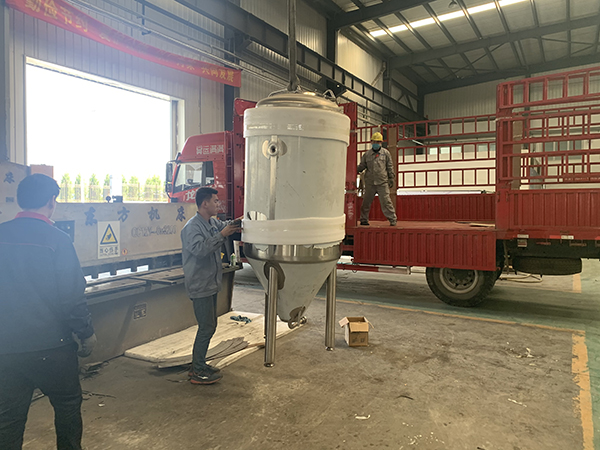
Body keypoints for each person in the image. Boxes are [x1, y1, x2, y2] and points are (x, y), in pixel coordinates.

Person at [0, 174, 96, 450]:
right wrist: (86, 332)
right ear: (52, 202)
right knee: (67, 406)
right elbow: (72, 295)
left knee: (8, 418)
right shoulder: (58, 240)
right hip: (53, 347)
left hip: (7, 349)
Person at [181, 187, 241, 385]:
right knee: (206, 327)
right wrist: (222, 235)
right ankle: (198, 370)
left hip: (210, 283)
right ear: (204, 203)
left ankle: (199, 364)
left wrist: (241, 221)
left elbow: (225, 225)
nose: (218, 204)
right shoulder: (192, 228)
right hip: (200, 284)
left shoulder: (212, 222)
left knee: (210, 326)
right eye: (215, 201)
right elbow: (199, 250)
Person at [357, 132, 397, 226]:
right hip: (370, 183)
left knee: (386, 202)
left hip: (382, 182)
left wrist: (391, 178)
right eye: (374, 142)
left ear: (381, 143)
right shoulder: (367, 155)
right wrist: (354, 170)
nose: (376, 143)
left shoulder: (385, 153)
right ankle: (364, 219)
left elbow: (389, 166)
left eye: (378, 142)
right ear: (371, 142)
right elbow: (362, 166)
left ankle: (392, 219)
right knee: (366, 202)